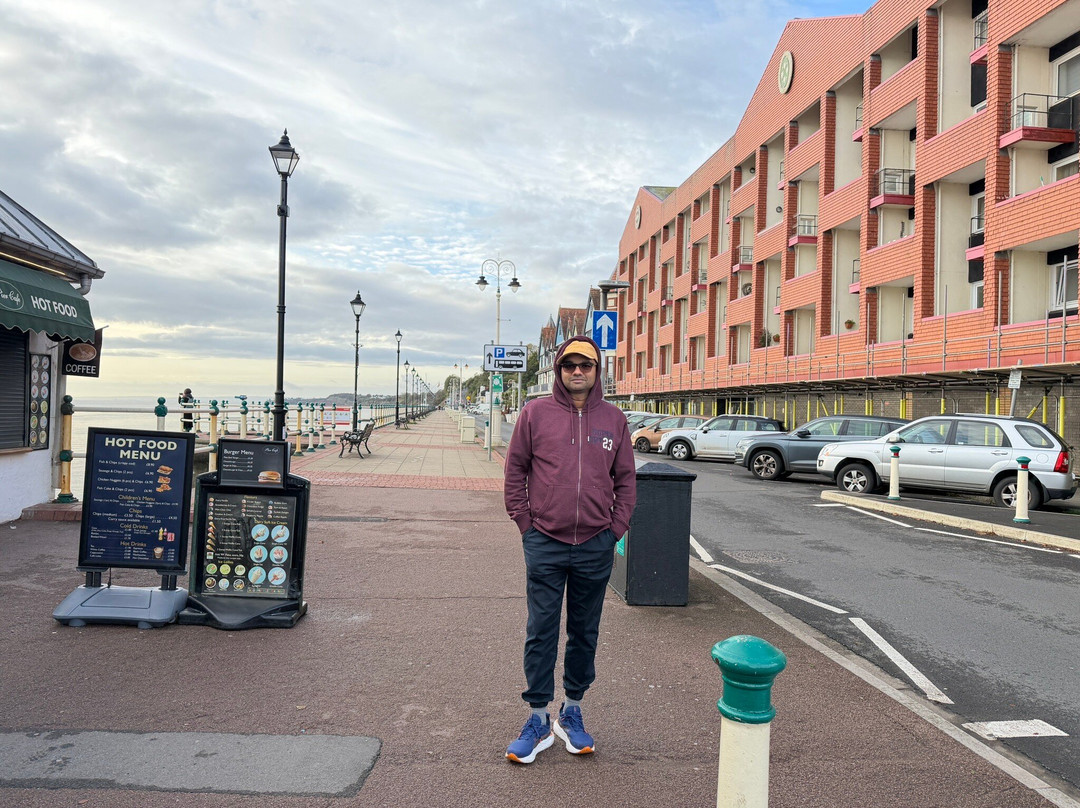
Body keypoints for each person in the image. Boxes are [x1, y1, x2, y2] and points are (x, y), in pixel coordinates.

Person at [502, 335, 637, 764]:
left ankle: (572, 711)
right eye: (569, 365)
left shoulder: (613, 420)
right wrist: (526, 524)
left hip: (595, 542)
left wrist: (615, 530)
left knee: (584, 631)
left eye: (586, 365)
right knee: (541, 629)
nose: (577, 372)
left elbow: (626, 481)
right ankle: (538, 718)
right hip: (545, 541)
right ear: (558, 370)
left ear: (598, 372)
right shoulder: (535, 413)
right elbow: (515, 471)